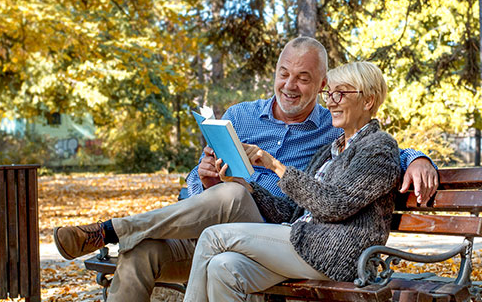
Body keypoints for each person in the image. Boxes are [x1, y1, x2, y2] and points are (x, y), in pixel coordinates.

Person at [53, 37, 437, 301]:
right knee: (140, 251)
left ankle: (108, 230)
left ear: (320, 84)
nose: (290, 85)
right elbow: (194, 186)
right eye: (284, 73)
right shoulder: (240, 116)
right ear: (275, 72)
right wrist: (201, 180)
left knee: (236, 193)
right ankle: (122, 234)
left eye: (305, 79)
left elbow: (377, 154)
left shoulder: (330, 126)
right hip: (217, 218)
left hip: (273, 234)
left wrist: (418, 157)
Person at [183, 61, 399, 301]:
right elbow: (293, 213)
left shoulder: (379, 147)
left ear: (368, 101)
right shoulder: (331, 150)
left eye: (340, 93)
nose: (330, 101)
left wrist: (273, 164)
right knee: (223, 267)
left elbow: (335, 205)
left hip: (335, 254)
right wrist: (248, 188)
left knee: (213, 237)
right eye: (329, 93)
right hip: (303, 241)